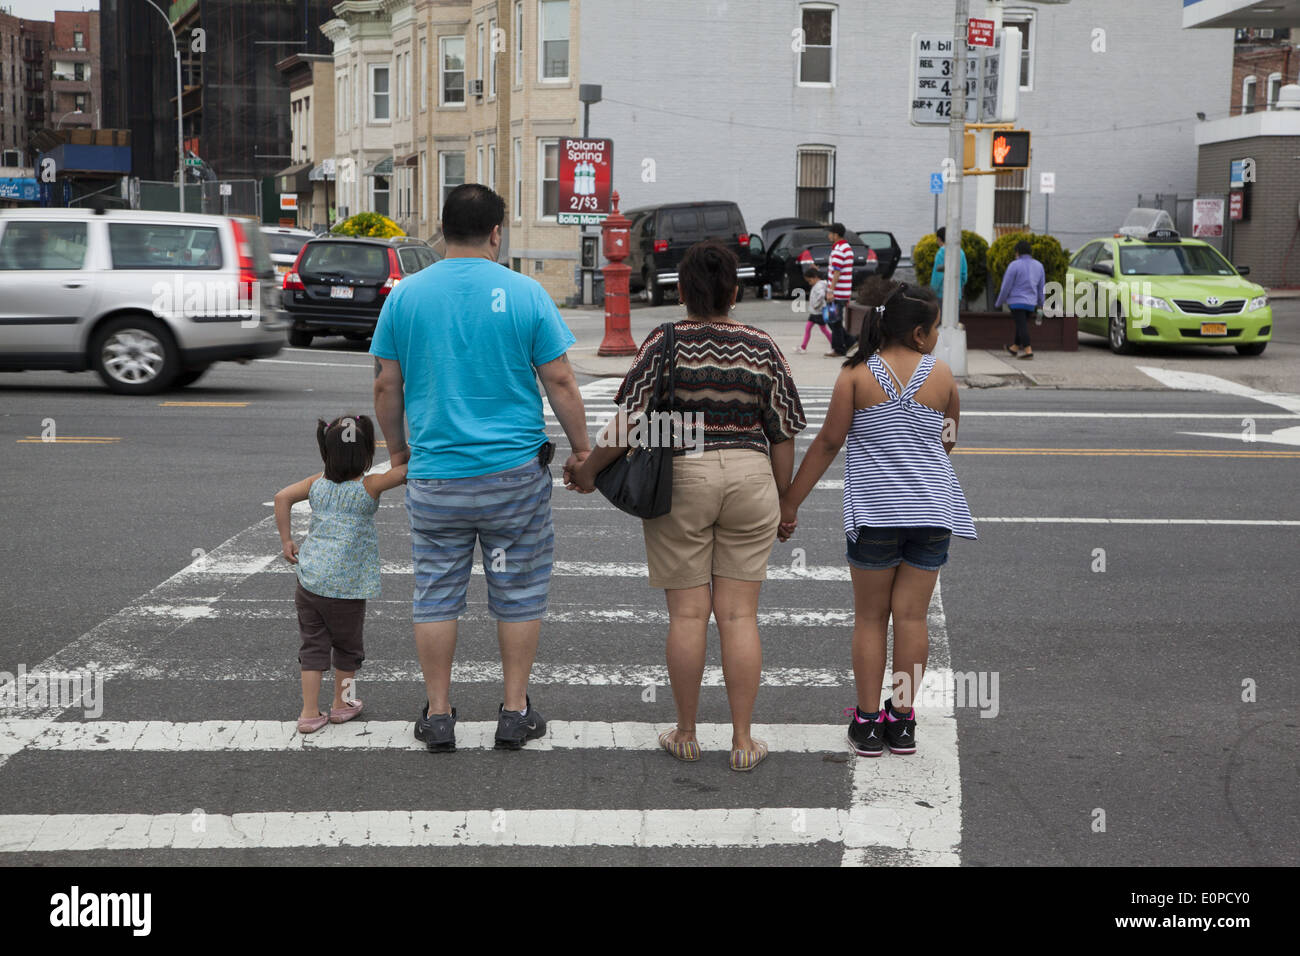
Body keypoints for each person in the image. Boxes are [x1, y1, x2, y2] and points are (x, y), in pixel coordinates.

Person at [370, 183, 592, 753]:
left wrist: (398, 451)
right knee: (518, 592)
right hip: (513, 474)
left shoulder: (405, 296)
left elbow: (385, 384)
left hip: (436, 473)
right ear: (497, 232)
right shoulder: (525, 293)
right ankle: (514, 711)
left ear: (443, 229)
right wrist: (582, 449)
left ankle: (439, 714)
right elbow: (561, 380)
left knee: (436, 592)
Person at [573, 240, 806, 772]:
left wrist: (588, 470)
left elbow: (632, 419)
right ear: (735, 291)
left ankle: (685, 732)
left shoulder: (666, 340)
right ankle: (744, 740)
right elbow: (785, 431)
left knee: (688, 613)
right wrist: (783, 500)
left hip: (684, 476)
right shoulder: (761, 344)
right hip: (751, 477)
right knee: (740, 614)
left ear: (681, 291)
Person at [779, 278, 976, 758]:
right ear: (918, 335)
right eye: (932, 330)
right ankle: (903, 723)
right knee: (912, 618)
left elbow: (828, 443)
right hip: (932, 513)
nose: (934, 338)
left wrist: (790, 503)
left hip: (875, 515)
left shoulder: (855, 376)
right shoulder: (944, 377)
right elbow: (947, 440)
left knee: (870, 619)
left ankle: (867, 725)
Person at [274, 415, 408, 735]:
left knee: (313, 646)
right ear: (365, 456)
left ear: (326, 453)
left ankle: (309, 712)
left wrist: (286, 540)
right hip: (346, 588)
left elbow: (282, 497)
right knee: (347, 649)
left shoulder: (316, 483)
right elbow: (405, 471)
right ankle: (342, 704)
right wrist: (403, 446)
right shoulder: (370, 485)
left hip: (310, 581)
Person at [995, 239, 1046, 360]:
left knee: (1022, 326)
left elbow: (1005, 287)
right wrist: (1041, 304)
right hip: (1031, 303)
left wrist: (999, 302)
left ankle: (1028, 350)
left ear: (1017, 252)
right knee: (1021, 324)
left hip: (1016, 302)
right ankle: (1014, 348)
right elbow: (1041, 287)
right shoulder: (1039, 266)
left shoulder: (1014, 265)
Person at [824, 222, 856, 356]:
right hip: (843, 291)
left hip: (837, 292)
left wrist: (830, 291)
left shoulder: (839, 249)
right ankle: (849, 341)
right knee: (833, 320)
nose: (828, 235)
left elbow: (837, 271)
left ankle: (839, 349)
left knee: (833, 321)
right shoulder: (846, 247)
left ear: (836, 234)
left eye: (830, 233)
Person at [797, 265, 833, 353]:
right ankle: (803, 347)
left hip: (818, 312)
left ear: (815, 277)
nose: (809, 283)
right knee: (809, 329)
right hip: (815, 312)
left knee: (823, 330)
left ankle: (835, 345)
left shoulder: (819, 286)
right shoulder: (819, 284)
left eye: (810, 280)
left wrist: (816, 305)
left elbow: (821, 295)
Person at [929, 227, 968, 302]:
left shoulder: (941, 253)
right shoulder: (961, 252)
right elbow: (964, 275)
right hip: (957, 294)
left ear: (939, 239)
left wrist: (932, 291)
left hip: (942, 294)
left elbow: (938, 275)